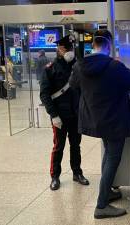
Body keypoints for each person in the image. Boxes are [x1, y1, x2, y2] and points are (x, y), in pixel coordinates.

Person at [70, 29, 130, 219]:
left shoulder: (80, 66)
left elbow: (73, 85)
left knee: (108, 155)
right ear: (110, 45)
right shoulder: (114, 66)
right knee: (112, 158)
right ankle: (101, 205)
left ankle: (108, 192)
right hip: (114, 120)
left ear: (93, 45)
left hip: (95, 120)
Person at [40, 35, 89, 191]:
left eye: (70, 48)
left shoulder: (79, 66)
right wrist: (53, 115)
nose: (68, 51)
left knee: (76, 146)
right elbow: (45, 94)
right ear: (58, 49)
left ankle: (77, 173)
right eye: (64, 48)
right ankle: (55, 176)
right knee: (58, 146)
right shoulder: (50, 68)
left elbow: (84, 89)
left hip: (75, 115)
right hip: (59, 116)